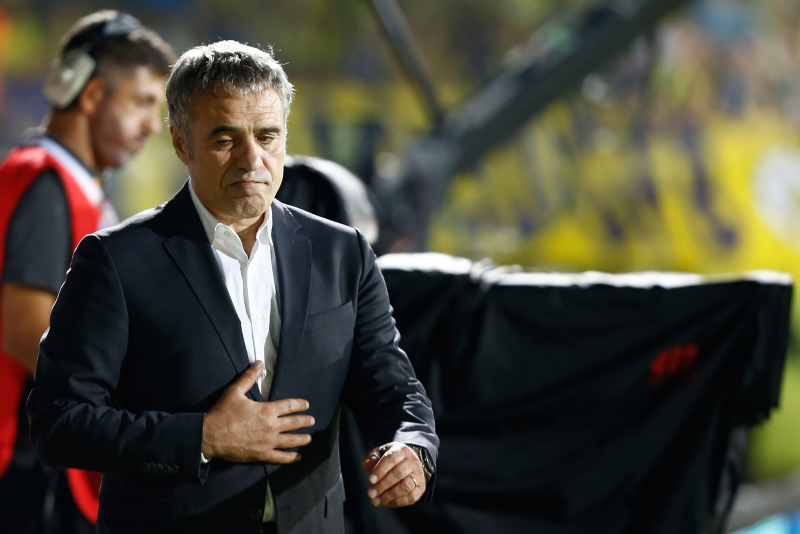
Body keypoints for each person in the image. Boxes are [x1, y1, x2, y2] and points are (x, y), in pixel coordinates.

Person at [27, 40, 438, 534]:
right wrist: (203, 437)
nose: (251, 159)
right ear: (182, 143)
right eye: (226, 138)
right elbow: (59, 421)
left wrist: (413, 447)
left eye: (267, 136)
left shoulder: (343, 251)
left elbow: (392, 386)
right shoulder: (115, 261)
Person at [0, 10, 174, 532]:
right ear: (93, 94)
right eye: (142, 102)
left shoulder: (60, 180)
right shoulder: (47, 183)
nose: (151, 125)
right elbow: (23, 328)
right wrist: (130, 401)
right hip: (25, 467)